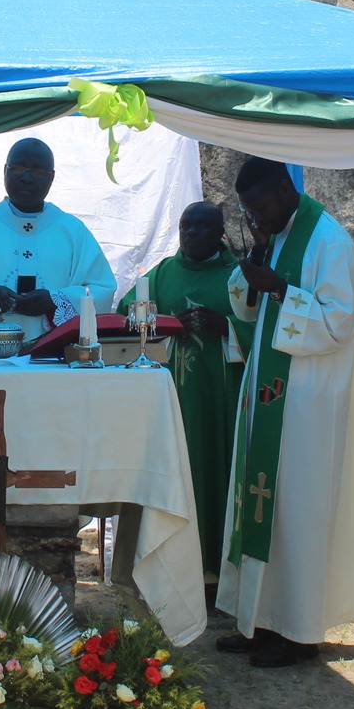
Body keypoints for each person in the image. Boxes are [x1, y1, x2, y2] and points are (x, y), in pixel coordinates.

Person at [215, 159, 354, 668]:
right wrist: (251, 278)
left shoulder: (330, 243)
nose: (256, 217)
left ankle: (297, 633)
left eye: (262, 206)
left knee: (297, 510)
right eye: (248, 211)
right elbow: (252, 310)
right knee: (258, 504)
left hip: (309, 400)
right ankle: (256, 621)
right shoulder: (275, 235)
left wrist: (276, 288)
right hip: (272, 391)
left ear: (284, 188)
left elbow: (341, 323)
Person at [119, 202, 244, 577]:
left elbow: (265, 327)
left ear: (220, 232)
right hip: (175, 399)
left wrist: (227, 327)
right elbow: (127, 316)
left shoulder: (239, 276)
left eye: (202, 227)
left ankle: (222, 570)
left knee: (221, 472)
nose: (191, 233)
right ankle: (177, 567)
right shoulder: (162, 275)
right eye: (186, 226)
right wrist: (169, 325)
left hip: (224, 398)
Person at [0, 137, 114, 352]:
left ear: (52, 177)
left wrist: (55, 300)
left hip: (56, 359)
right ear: (5, 171)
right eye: (18, 168)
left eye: (37, 171)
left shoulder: (73, 231)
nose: (27, 177)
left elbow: (102, 289)